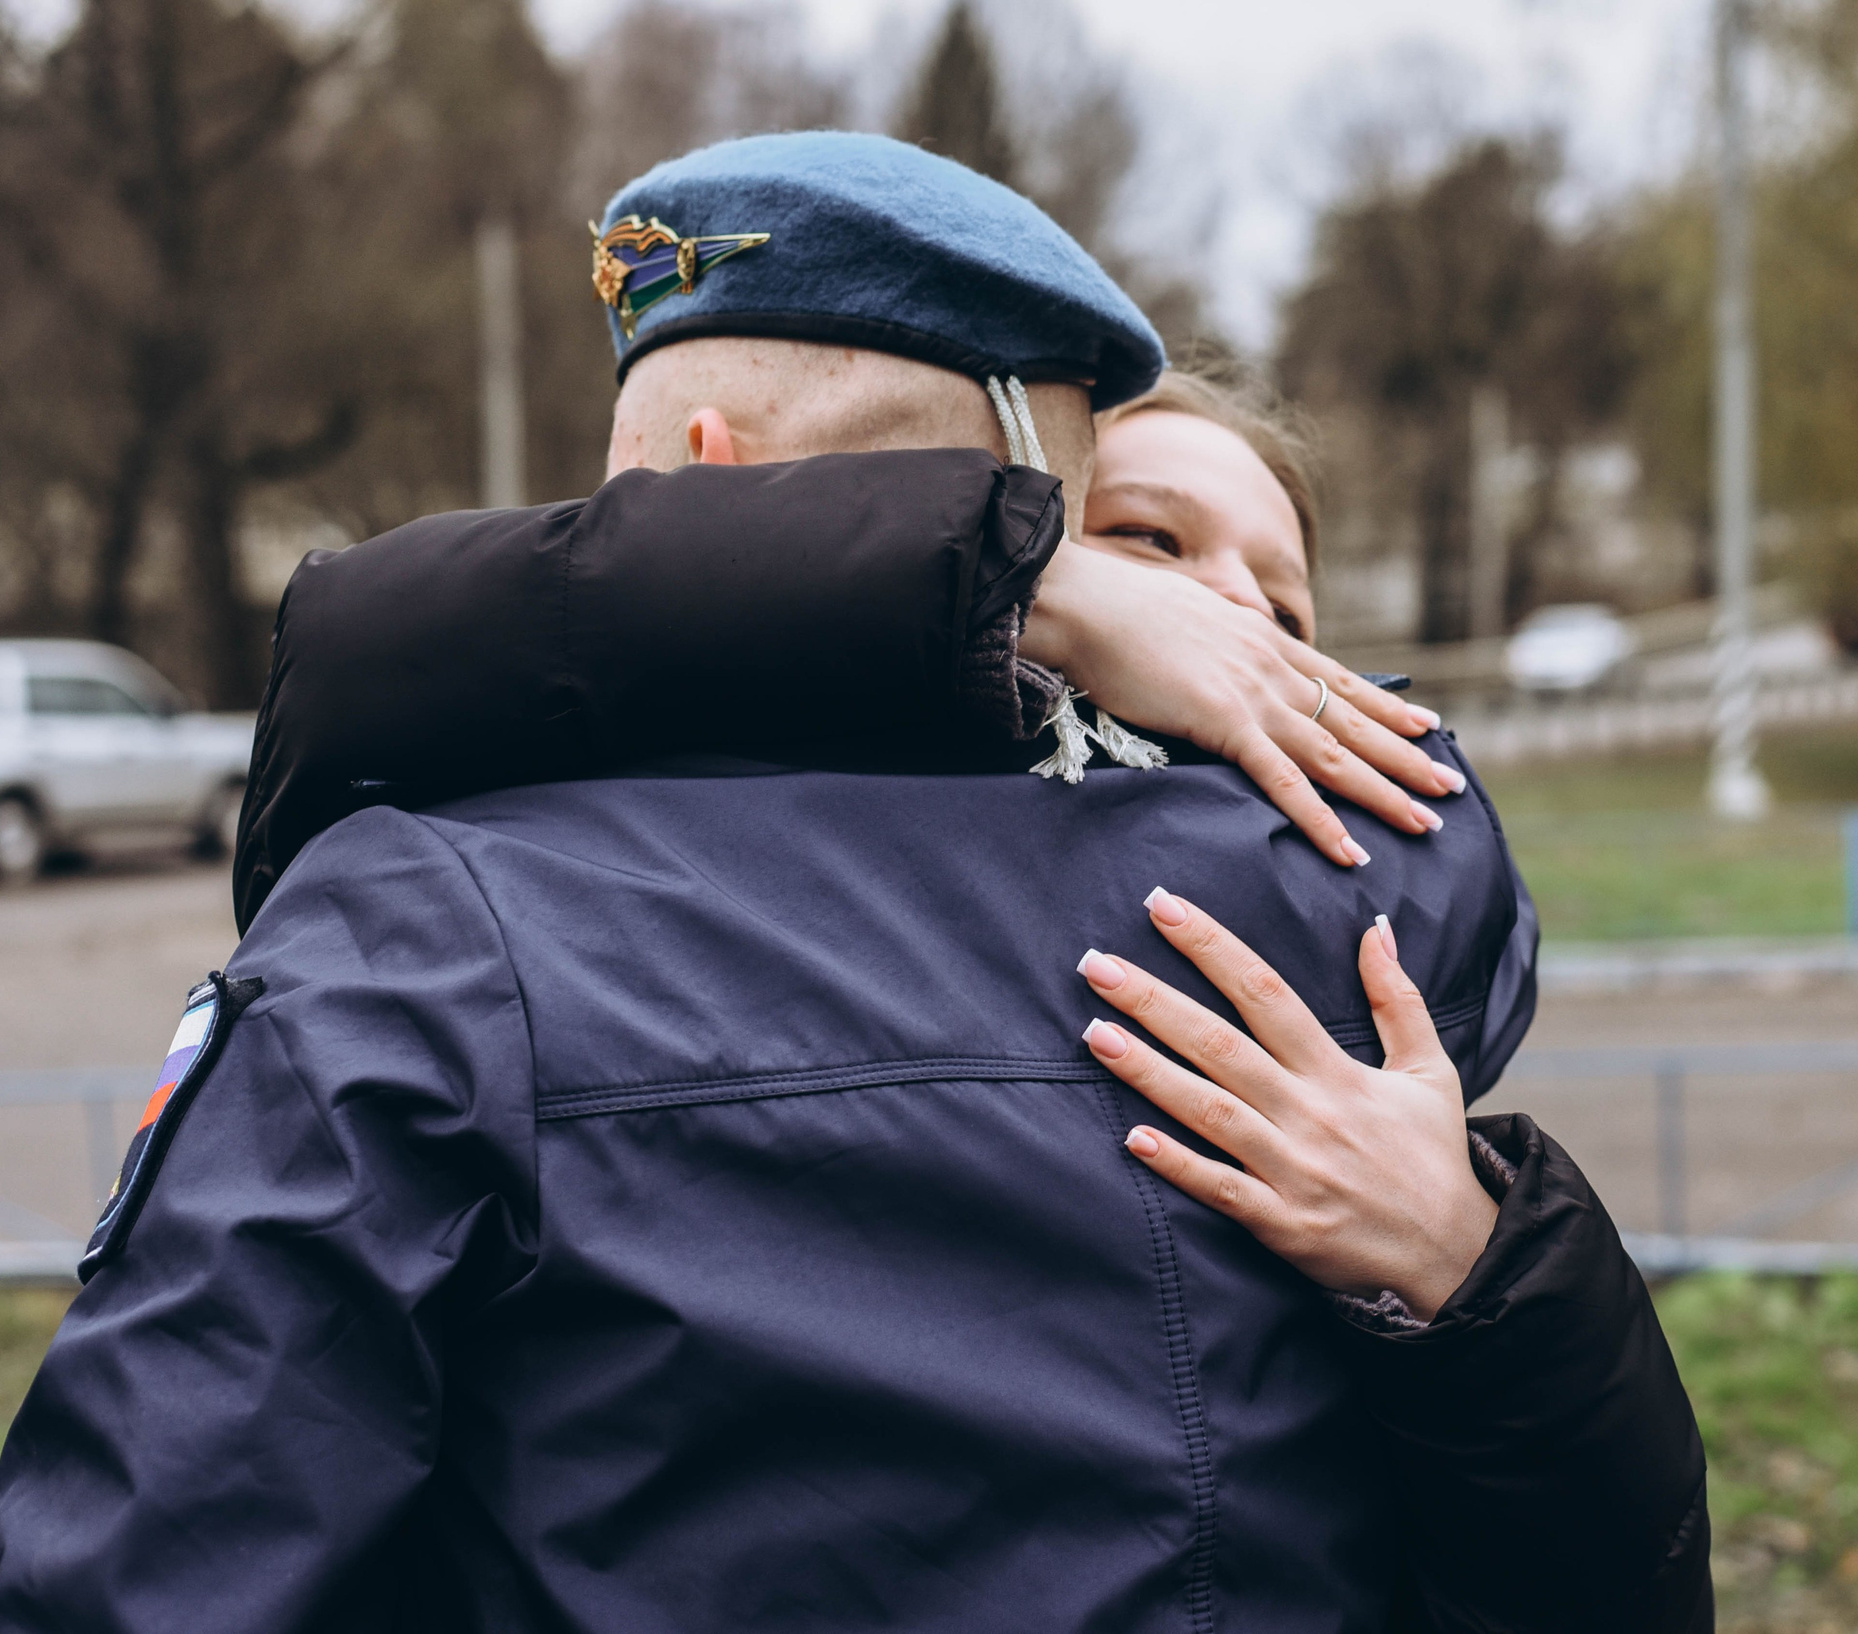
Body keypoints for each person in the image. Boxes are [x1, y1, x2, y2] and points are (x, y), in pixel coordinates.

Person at [0, 133, 1708, 1632]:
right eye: (1136, 557)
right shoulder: (1352, 918)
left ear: (685, 497)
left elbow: (145, 1556)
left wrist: (1481, 1268)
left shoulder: (416, 932)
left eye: (1278, 604)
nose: (1226, 638)